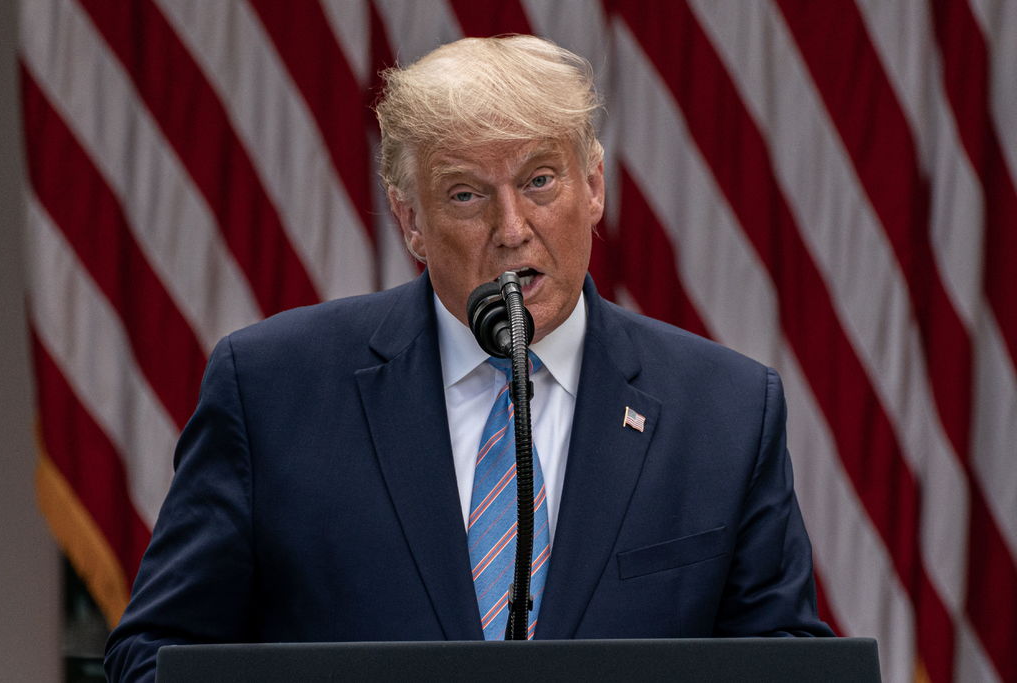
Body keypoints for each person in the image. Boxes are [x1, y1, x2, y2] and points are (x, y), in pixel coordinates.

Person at [105, 34, 832, 681]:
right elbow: (155, 654)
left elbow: (787, 662)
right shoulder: (272, 390)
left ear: (593, 187)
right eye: (465, 194)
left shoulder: (727, 411)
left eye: (540, 180)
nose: (512, 228)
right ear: (410, 220)